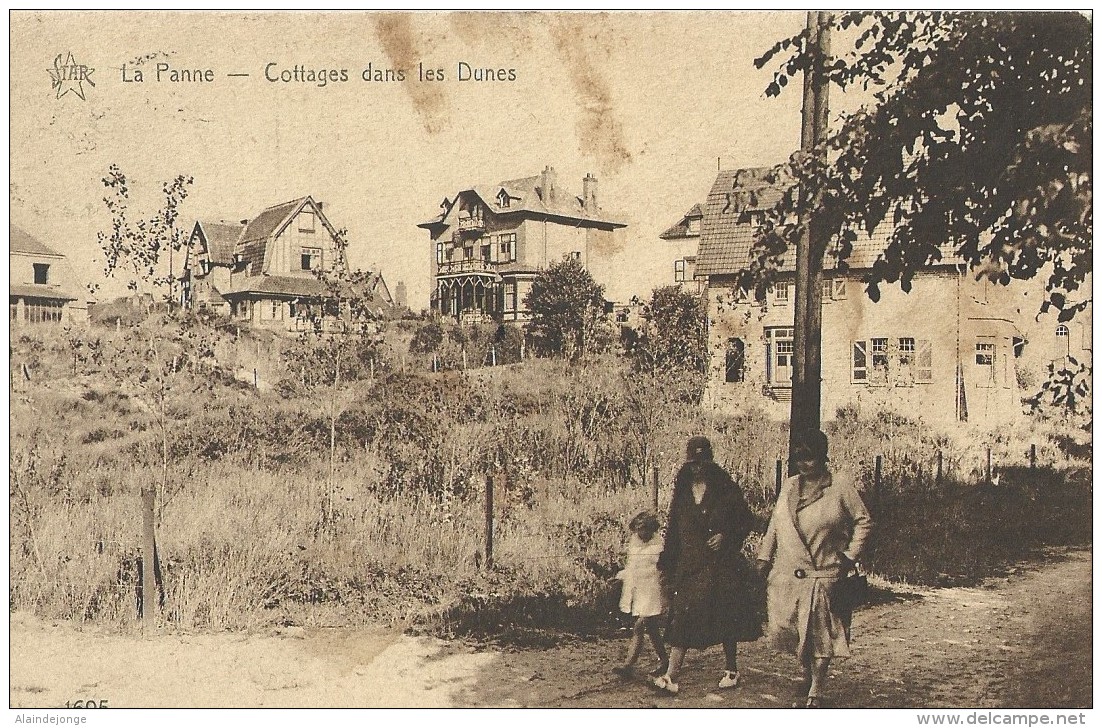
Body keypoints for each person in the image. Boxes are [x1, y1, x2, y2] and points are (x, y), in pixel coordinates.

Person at [756, 429, 873, 708]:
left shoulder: (840, 487)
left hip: (824, 572)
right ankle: (808, 674)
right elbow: (775, 524)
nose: (804, 464)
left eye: (810, 458)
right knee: (788, 629)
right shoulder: (789, 487)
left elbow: (864, 521)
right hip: (787, 574)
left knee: (821, 632)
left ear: (823, 457)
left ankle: (816, 690)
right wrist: (763, 557)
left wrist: (850, 555)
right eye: (799, 458)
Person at [652, 436, 761, 696]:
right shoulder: (682, 490)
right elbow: (674, 530)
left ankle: (731, 669)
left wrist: (726, 536)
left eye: (702, 462)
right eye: (693, 463)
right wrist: (668, 561)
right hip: (691, 565)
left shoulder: (725, 487)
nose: (697, 468)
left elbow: (746, 520)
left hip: (721, 564)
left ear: (709, 461)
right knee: (683, 615)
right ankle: (671, 676)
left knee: (726, 616)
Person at [611, 511, 668, 679]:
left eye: (643, 529)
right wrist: (619, 576)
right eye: (637, 529)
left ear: (651, 529)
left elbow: (662, 568)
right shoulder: (635, 542)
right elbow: (632, 567)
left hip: (654, 588)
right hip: (640, 590)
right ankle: (665, 660)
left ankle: (628, 664)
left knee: (639, 625)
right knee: (651, 628)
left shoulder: (658, 545)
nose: (639, 532)